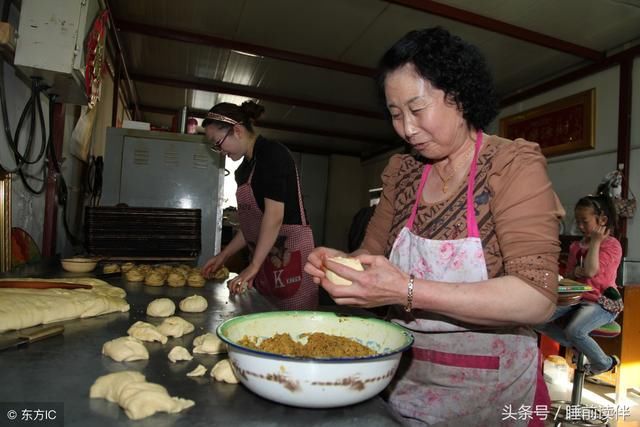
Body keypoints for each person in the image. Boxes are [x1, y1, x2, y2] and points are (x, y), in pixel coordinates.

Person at [304, 27, 564, 426]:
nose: (406, 129)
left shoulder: (512, 166)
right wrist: (341, 266)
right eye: (395, 115)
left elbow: (536, 298)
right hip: (406, 377)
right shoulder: (402, 173)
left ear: (458, 97)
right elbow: (371, 256)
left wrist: (408, 290)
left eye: (417, 109)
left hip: (492, 387)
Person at [201, 101, 317, 310]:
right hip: (266, 260)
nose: (218, 151)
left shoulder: (272, 154)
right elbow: (251, 227)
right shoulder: (243, 171)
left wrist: (253, 265)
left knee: (295, 325)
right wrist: (224, 256)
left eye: (218, 143)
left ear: (236, 130)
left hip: (291, 255)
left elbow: (274, 217)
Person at [536, 194, 623, 376]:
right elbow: (569, 275)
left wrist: (595, 242)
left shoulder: (612, 245)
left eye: (585, 221)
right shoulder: (576, 246)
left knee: (575, 330)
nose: (581, 227)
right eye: (578, 222)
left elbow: (591, 271)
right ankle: (576, 344)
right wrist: (573, 273)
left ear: (602, 220)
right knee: (535, 318)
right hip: (576, 299)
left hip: (601, 302)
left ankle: (604, 363)